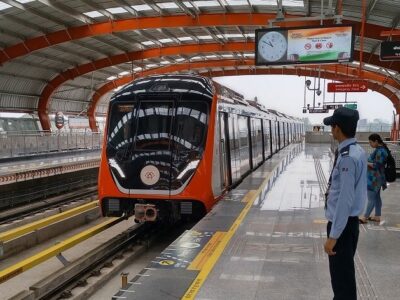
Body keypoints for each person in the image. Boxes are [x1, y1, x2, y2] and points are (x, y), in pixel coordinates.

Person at [323, 107, 367, 300]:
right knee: (344, 279)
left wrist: (334, 236)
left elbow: (345, 200)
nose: (331, 131)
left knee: (342, 284)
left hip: (342, 227)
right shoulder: (357, 151)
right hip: (349, 225)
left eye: (332, 127)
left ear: (338, 128)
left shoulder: (347, 158)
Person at [359, 134, 388, 224]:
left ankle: (365, 217)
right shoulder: (381, 149)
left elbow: (377, 165)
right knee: (376, 197)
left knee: (371, 198)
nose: (370, 144)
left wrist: (366, 163)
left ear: (376, 141)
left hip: (374, 179)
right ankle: (377, 216)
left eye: (371, 142)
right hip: (377, 177)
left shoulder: (380, 151)